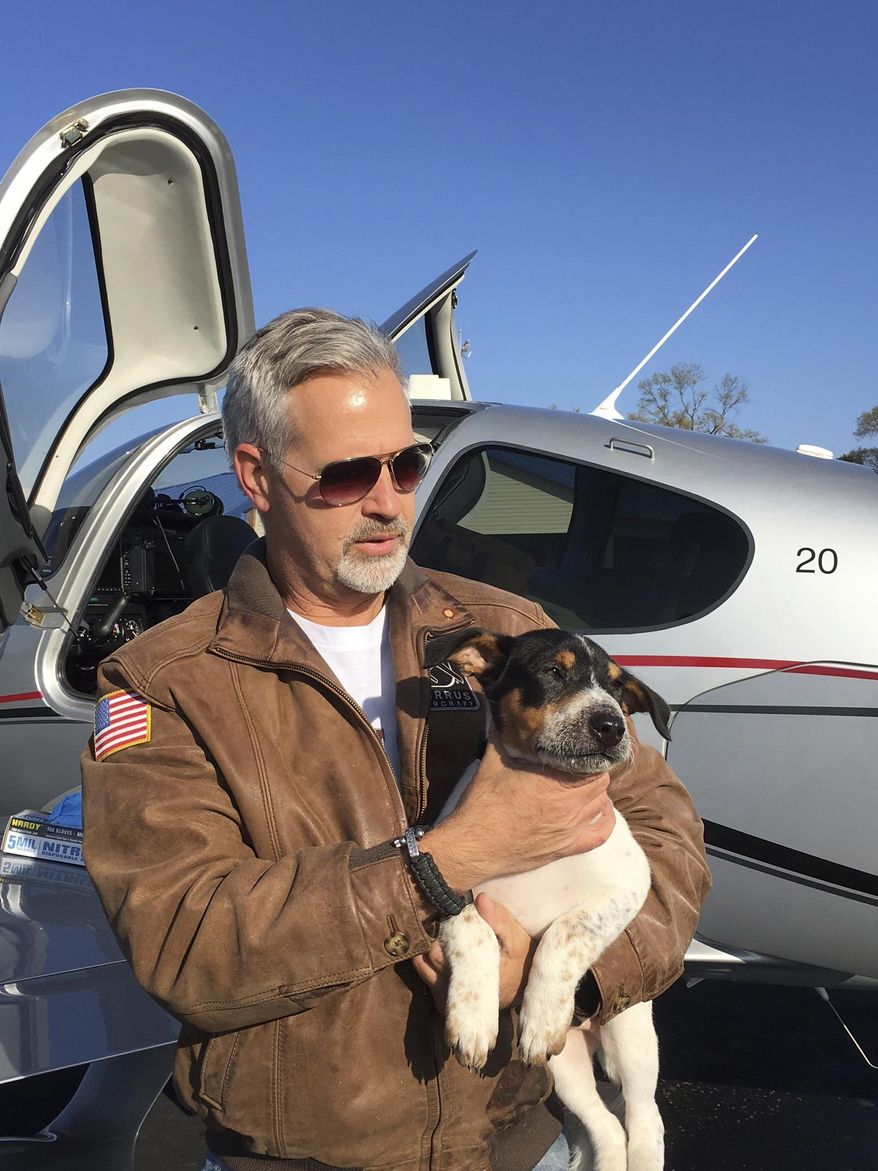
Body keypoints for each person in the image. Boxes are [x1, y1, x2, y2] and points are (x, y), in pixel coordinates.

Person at [81, 308, 711, 1171]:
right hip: (314, 1154)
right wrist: (433, 869)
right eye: (347, 474)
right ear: (255, 476)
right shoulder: (167, 681)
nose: (387, 499)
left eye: (406, 462)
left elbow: (671, 840)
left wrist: (581, 978)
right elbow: (186, 940)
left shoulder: (508, 632)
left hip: (522, 1139)